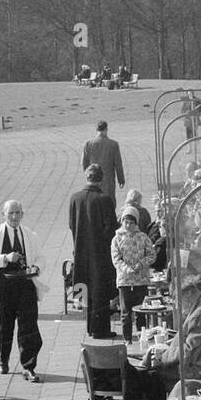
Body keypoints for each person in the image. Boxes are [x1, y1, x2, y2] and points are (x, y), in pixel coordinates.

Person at [0, 200, 43, 380]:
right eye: (10, 214)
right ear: (3, 215)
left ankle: (29, 366)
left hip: (25, 287)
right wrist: (5, 258)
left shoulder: (30, 235)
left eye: (18, 213)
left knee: (29, 327)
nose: (14, 217)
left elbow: (40, 257)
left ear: (22, 214)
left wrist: (37, 267)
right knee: (4, 326)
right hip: (3, 287)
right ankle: (3, 359)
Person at [69, 164, 119, 339]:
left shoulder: (75, 198)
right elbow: (111, 228)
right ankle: (100, 329)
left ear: (86, 177)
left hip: (81, 250)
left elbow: (71, 224)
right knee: (101, 291)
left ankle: (90, 327)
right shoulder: (104, 200)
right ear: (101, 179)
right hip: (100, 252)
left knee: (87, 291)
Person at [111, 205, 157, 344]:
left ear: (136, 223)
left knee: (141, 311)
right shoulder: (117, 239)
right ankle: (127, 339)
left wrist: (141, 264)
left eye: (131, 222)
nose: (129, 225)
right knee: (126, 312)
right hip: (125, 281)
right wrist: (126, 268)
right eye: (126, 222)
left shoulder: (143, 237)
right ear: (122, 222)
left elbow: (151, 254)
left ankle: (141, 336)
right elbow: (116, 258)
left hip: (141, 280)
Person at [81, 120, 125, 201]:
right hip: (108, 179)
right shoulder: (113, 144)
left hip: (93, 179)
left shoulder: (88, 144)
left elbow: (84, 163)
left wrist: (88, 175)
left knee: (94, 200)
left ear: (97, 130)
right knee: (109, 201)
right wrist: (121, 179)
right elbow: (118, 164)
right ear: (106, 129)